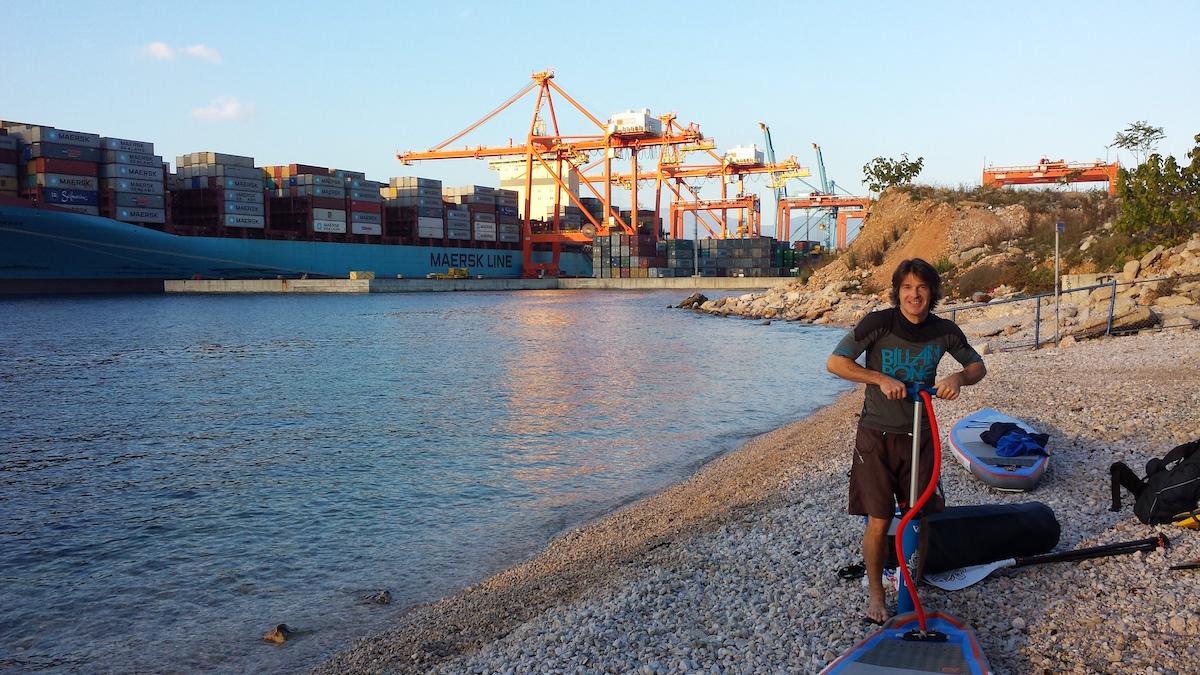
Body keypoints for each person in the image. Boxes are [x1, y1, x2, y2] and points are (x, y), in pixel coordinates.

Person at [825, 258, 986, 624]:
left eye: (922, 287)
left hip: (921, 435)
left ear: (932, 292)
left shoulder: (944, 330)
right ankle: (877, 594)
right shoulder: (879, 323)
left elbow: (978, 367)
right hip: (877, 436)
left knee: (923, 517)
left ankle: (915, 580)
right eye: (907, 287)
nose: (914, 294)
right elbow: (836, 363)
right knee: (879, 520)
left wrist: (958, 378)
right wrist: (878, 378)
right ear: (897, 291)